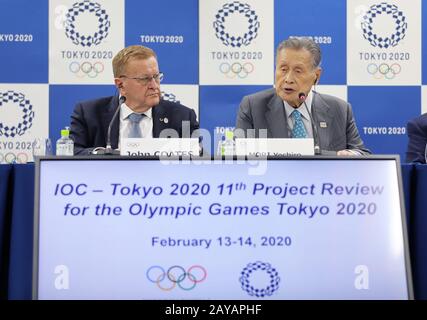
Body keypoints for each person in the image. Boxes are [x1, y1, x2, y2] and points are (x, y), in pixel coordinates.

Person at [235, 36, 370, 155]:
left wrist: (351, 155)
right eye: (283, 69)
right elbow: (238, 156)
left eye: (298, 71)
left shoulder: (339, 109)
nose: (288, 79)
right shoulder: (253, 107)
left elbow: (362, 153)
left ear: (316, 76)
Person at [70, 45, 199, 155]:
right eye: (144, 79)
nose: (154, 85)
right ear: (120, 84)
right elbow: (71, 152)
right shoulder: (88, 113)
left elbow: (198, 158)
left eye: (156, 76)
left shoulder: (182, 116)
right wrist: (101, 153)